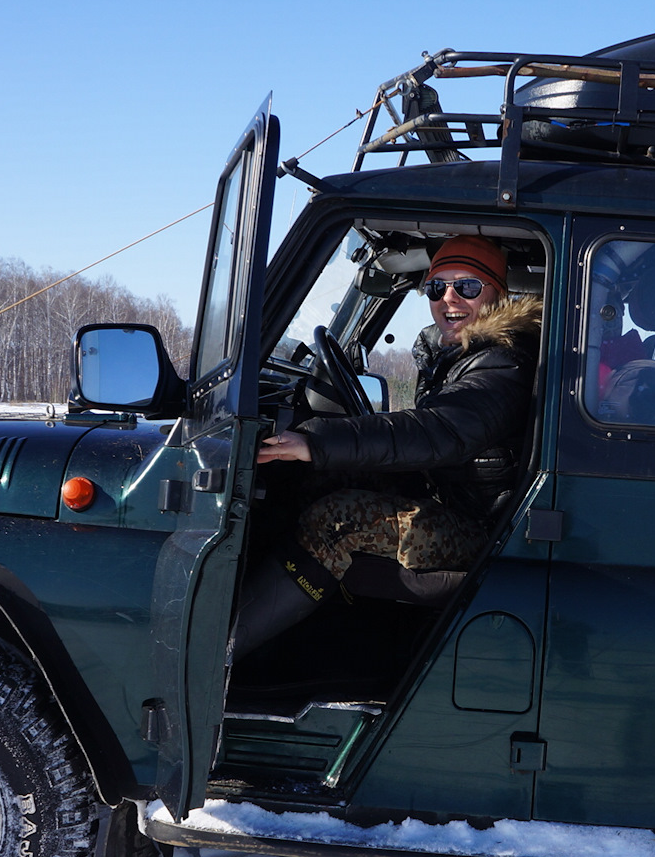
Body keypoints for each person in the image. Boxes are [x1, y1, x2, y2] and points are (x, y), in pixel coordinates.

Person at [232, 235, 542, 661]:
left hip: (489, 530)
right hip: (456, 499)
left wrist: (317, 441)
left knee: (334, 520)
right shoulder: (457, 352)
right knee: (324, 477)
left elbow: (439, 431)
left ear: (497, 294)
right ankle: (295, 635)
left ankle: (223, 656)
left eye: (467, 286)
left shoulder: (504, 362)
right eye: (437, 287)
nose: (449, 298)